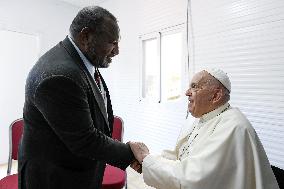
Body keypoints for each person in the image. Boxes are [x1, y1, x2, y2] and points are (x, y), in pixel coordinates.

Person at [19, 6, 135, 189]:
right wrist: (131, 153)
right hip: (55, 179)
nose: (116, 51)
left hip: (77, 171)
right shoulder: (60, 76)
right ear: (86, 36)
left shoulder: (82, 60)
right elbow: (85, 139)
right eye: (112, 43)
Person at [129, 68, 280, 189]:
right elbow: (180, 157)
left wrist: (146, 159)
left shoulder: (234, 127)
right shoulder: (201, 118)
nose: (187, 92)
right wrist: (149, 163)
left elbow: (191, 180)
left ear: (216, 95)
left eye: (194, 87)